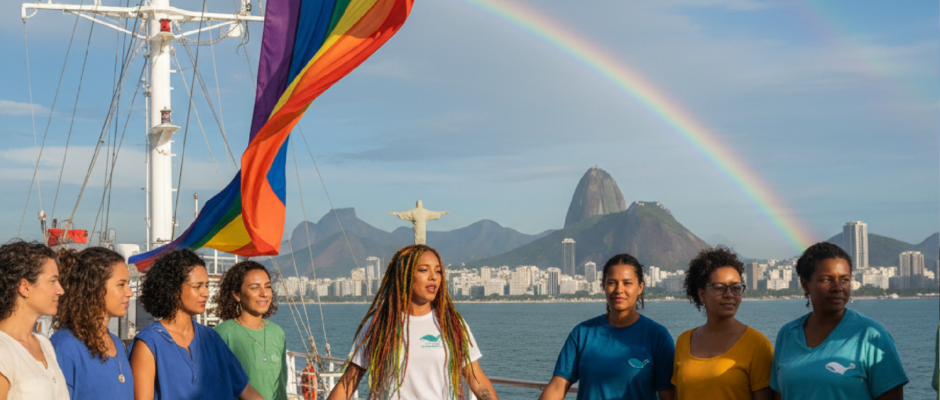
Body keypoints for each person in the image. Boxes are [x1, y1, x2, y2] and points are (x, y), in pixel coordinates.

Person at [326, 244, 499, 400]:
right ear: (405, 276)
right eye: (424, 270)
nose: (434, 277)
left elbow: (478, 381)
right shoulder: (378, 325)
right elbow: (347, 384)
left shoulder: (452, 324)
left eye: (438, 271)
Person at [771, 242, 907, 400]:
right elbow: (778, 394)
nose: (837, 287)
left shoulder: (871, 336)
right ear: (805, 284)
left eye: (844, 279)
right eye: (826, 279)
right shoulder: (787, 334)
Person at [129, 248, 263, 400]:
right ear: (172, 289)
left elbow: (247, 391)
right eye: (197, 286)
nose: (206, 292)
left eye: (206, 285)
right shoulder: (149, 344)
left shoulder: (212, 338)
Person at [540, 254, 675, 400]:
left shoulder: (657, 336)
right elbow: (558, 386)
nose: (619, 289)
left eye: (627, 283)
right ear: (603, 285)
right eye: (612, 282)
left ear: (640, 287)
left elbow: (668, 395)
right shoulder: (582, 333)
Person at [672, 246, 773, 400]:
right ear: (701, 294)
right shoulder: (684, 341)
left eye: (736, 287)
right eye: (720, 288)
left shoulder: (757, 345)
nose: (729, 295)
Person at [51, 247, 135, 399]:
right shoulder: (64, 347)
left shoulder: (117, 344)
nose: (130, 292)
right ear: (94, 287)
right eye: (121, 284)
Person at [0, 240, 69, 400]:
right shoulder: (3, 350)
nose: (61, 290)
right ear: (25, 287)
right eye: (53, 281)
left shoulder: (44, 344)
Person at [212, 260, 287, 400]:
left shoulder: (277, 333)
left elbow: (281, 387)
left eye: (268, 286)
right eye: (254, 287)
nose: (264, 293)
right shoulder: (223, 334)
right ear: (237, 294)